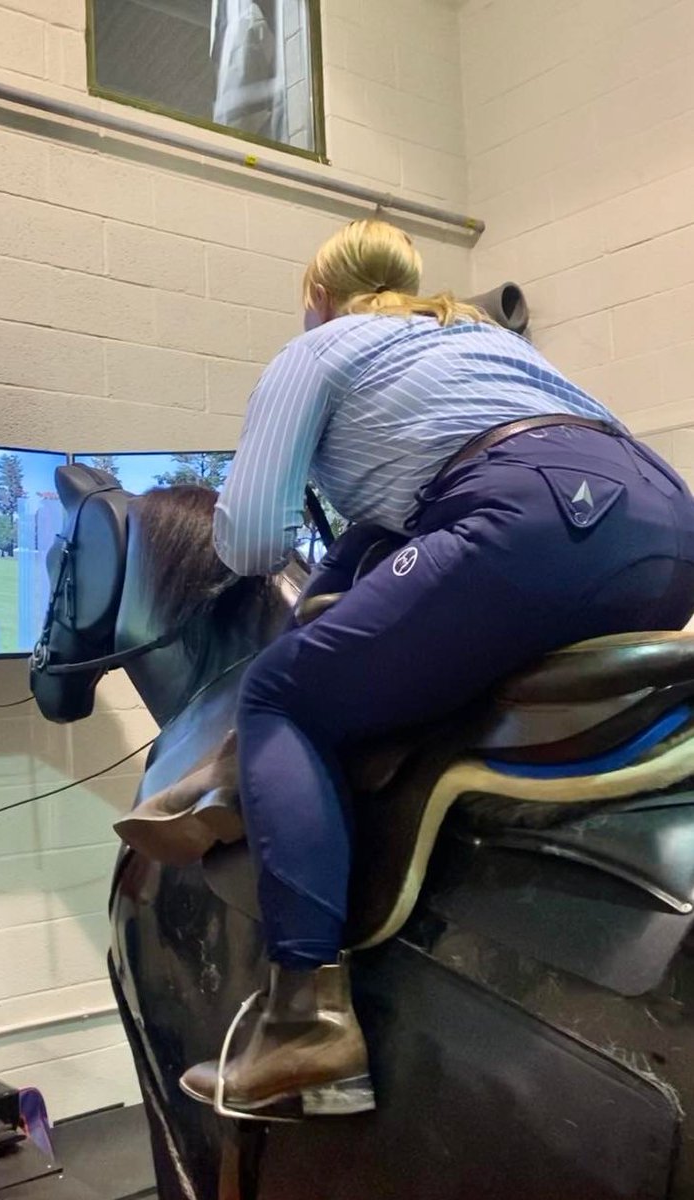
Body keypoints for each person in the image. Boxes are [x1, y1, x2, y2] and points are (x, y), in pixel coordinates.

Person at [168, 218, 694, 1118]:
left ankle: (304, 1026)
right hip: (667, 526)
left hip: (526, 523)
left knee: (282, 697)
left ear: (316, 298)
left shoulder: (323, 345)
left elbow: (253, 539)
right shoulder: (474, 333)